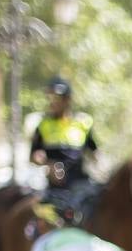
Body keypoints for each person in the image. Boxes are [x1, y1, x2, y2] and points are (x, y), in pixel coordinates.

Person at [30, 76, 99, 215]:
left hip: (81, 185)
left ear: (68, 99)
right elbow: (34, 156)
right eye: (50, 97)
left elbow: (94, 152)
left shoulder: (83, 123)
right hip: (55, 188)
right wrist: (48, 164)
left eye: (56, 97)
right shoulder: (43, 125)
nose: (52, 102)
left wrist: (100, 166)